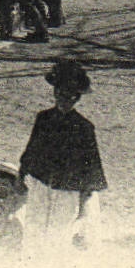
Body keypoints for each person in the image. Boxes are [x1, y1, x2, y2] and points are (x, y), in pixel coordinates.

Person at [18, 60, 107, 252]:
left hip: (67, 188)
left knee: (59, 235)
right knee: (34, 229)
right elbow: (31, 149)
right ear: (54, 93)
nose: (64, 99)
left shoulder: (84, 127)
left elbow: (91, 164)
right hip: (41, 183)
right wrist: (21, 175)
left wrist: (87, 195)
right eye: (60, 93)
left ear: (76, 98)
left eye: (70, 96)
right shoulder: (44, 118)